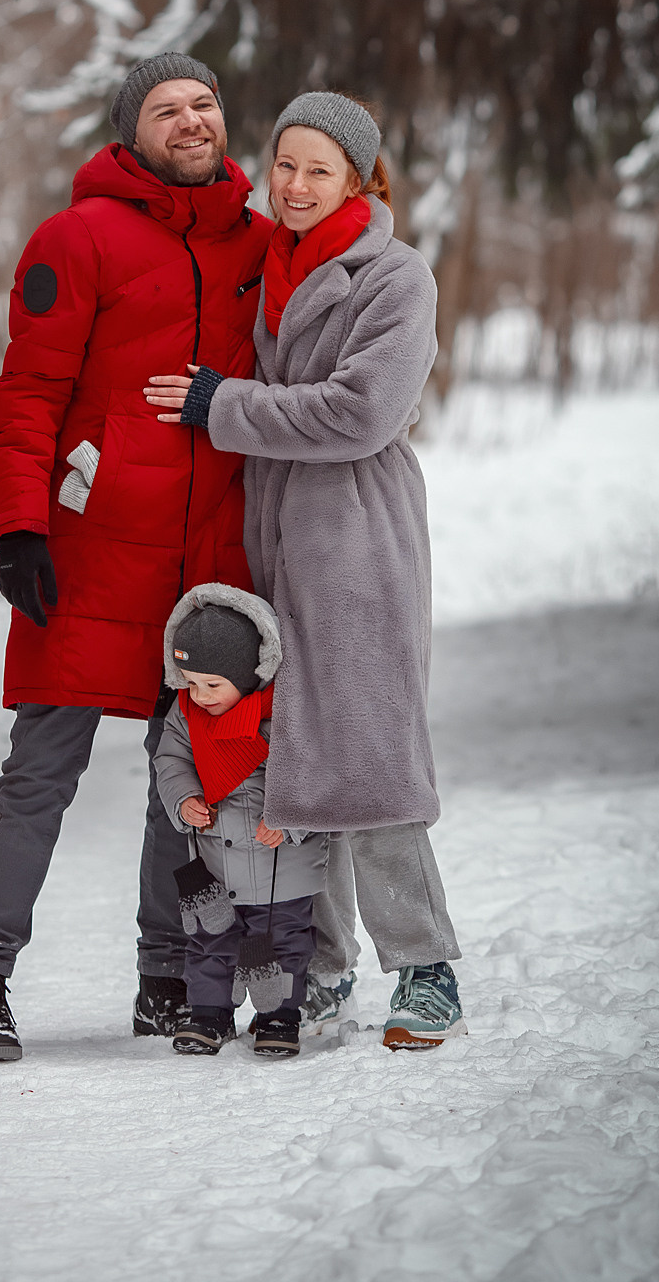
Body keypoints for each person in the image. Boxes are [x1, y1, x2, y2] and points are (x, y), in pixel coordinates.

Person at [0, 53, 271, 1062]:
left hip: (207, 561)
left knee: (189, 774)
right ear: (130, 133)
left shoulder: (260, 244)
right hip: (87, 553)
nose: (191, 120)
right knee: (40, 776)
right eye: (166, 109)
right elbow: (29, 392)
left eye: (204, 103)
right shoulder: (76, 237)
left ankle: (165, 977)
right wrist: (18, 527)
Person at [144, 91, 464, 1050]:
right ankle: (319, 968)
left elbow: (362, 412)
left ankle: (426, 969)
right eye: (284, 164)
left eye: (318, 169)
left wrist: (225, 406)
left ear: (358, 180)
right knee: (287, 752)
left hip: (358, 533)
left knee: (372, 751)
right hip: (273, 530)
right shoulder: (268, 265)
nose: (293, 184)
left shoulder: (396, 277)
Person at [154, 582, 328, 1059]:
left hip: (283, 865)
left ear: (249, 674)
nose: (200, 695)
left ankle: (279, 1016)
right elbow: (171, 760)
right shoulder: (185, 716)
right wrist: (185, 798)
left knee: (284, 943)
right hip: (217, 862)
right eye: (190, 683)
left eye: (213, 685)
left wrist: (289, 816)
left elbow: (313, 771)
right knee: (209, 940)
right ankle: (208, 1014)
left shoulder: (287, 715)